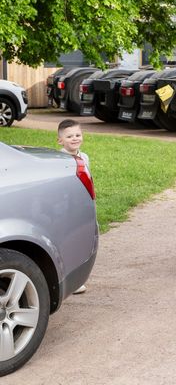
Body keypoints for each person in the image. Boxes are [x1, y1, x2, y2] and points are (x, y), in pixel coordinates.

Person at [58, 119, 91, 294]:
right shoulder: (59, 159)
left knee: (81, 241)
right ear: (60, 140)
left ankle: (79, 279)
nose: (74, 138)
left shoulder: (84, 157)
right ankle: (68, 280)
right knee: (68, 243)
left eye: (78, 135)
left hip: (82, 206)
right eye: (69, 136)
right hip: (66, 209)